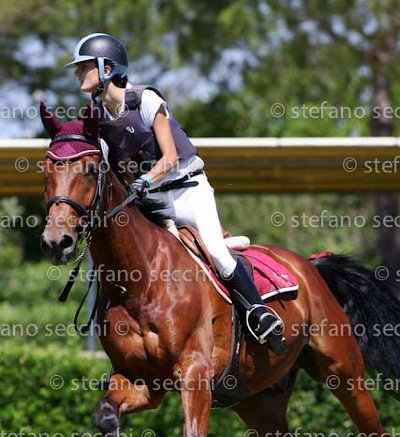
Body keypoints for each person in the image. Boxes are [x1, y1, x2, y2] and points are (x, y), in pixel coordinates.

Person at [65, 33, 287, 354]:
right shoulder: (96, 117)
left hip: (188, 193)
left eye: (83, 66)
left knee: (218, 255)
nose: (77, 72)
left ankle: (259, 313)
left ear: (107, 68)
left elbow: (169, 158)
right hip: (151, 203)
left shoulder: (145, 100)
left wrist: (143, 180)